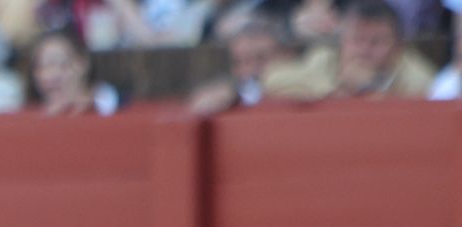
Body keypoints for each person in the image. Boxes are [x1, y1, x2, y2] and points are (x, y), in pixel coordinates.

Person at [264, 0, 435, 99]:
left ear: (398, 47)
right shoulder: (324, 58)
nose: (365, 49)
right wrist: (339, 90)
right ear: (342, 41)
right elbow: (273, 79)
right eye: (357, 40)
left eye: (376, 42)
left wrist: (370, 89)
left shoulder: (416, 73)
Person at [186, 14, 292, 114]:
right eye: (243, 62)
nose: (252, 70)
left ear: (285, 55)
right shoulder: (230, 92)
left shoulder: (299, 84)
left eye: (260, 59)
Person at [27, 27, 119, 114]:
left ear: (82, 63)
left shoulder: (111, 106)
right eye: (41, 66)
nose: (50, 76)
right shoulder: (28, 114)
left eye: (61, 64)